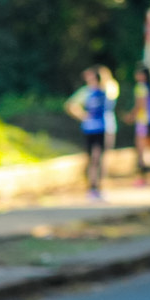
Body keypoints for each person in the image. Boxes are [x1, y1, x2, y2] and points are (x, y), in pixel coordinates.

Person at [65, 66, 107, 200]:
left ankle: (99, 186)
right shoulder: (86, 92)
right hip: (90, 128)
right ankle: (91, 187)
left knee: (100, 158)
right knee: (91, 158)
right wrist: (83, 115)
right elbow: (70, 105)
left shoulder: (106, 90)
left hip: (103, 128)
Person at [97, 65, 119, 152]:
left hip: (107, 117)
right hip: (99, 119)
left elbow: (109, 99)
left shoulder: (111, 84)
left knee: (107, 145)